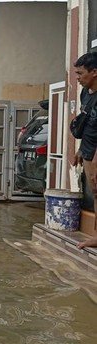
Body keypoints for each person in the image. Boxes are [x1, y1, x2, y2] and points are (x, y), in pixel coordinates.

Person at [70, 52, 97, 249]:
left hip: (96, 154)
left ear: (94, 72)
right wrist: (81, 150)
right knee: (96, 192)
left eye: (80, 73)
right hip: (88, 151)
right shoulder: (85, 94)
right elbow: (86, 122)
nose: (77, 78)